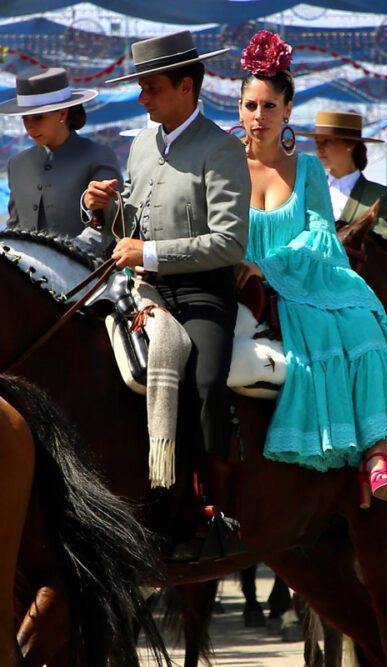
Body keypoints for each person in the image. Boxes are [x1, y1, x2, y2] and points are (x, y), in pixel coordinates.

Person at [233, 31, 387, 501]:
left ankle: (379, 454)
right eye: (251, 105)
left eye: (270, 106)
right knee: (340, 335)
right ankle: (373, 456)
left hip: (310, 275)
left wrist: (270, 266)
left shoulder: (308, 169)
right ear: (239, 107)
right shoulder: (225, 164)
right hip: (248, 287)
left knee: (385, 335)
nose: (259, 116)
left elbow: (318, 235)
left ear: (288, 109)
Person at [82, 30, 250, 560]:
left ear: (186, 87)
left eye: (150, 87)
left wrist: (148, 254)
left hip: (204, 294)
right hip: (146, 292)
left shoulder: (222, 148)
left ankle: (219, 517)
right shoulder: (138, 145)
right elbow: (134, 223)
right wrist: (100, 210)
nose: (141, 97)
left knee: (205, 385)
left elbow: (230, 242)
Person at [0, 68, 120, 255]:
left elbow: (108, 223)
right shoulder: (17, 163)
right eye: (25, 119)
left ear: (63, 114)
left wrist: (69, 255)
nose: (30, 127)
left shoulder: (98, 155)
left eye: (39, 117)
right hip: (29, 278)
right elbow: (15, 226)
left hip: (90, 276)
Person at [303, 111, 387, 242]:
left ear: (350, 144)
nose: (319, 148)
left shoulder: (380, 196)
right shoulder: (306, 191)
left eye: (327, 141)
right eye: (317, 142)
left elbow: (382, 247)